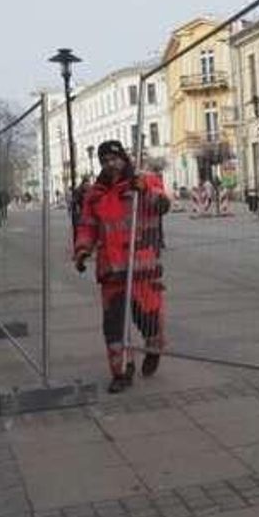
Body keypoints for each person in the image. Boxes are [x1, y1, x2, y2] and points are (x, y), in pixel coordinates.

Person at [74, 140, 171, 394]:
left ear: (124, 159)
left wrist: (145, 192)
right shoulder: (95, 194)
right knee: (113, 325)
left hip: (142, 266)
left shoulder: (142, 181)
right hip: (111, 269)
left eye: (114, 159)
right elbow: (87, 226)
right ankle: (121, 371)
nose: (110, 164)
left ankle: (153, 349)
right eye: (104, 161)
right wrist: (83, 250)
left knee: (147, 317)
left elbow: (162, 205)